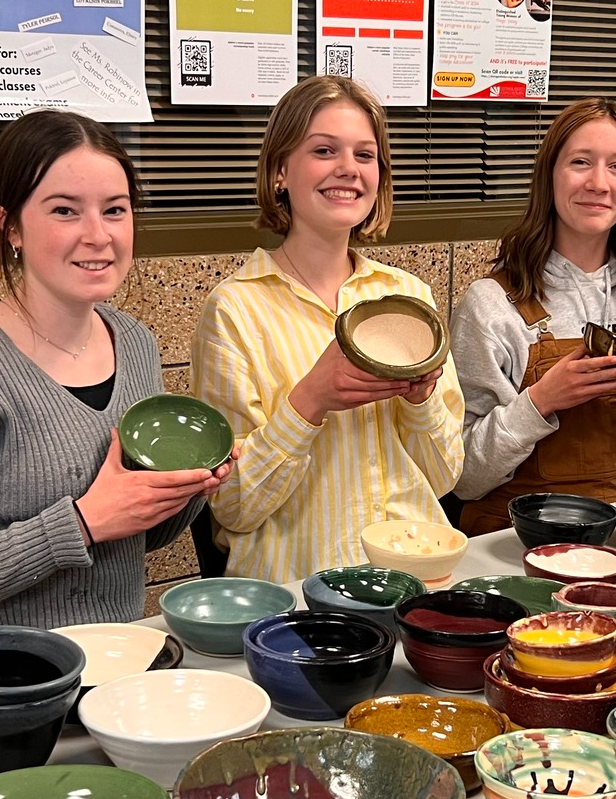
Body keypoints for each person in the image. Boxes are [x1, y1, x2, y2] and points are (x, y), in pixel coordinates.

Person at [0, 111, 229, 628]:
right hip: (15, 684)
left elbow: (137, 536)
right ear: (10, 224)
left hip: (117, 660)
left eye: (114, 210)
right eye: (65, 211)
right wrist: (80, 523)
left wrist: (188, 490)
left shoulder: (134, 343)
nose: (98, 235)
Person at [191, 75, 466, 580]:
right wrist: (310, 401)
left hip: (410, 580)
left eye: (366, 155)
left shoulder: (410, 298)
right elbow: (231, 505)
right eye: (324, 150)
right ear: (280, 171)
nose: (349, 169)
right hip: (296, 596)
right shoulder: (235, 308)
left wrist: (421, 400)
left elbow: (444, 477)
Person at [450, 98, 616, 534]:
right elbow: (462, 479)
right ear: (548, 177)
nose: (598, 183)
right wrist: (540, 402)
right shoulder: (491, 303)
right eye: (580, 162)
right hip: (512, 542)